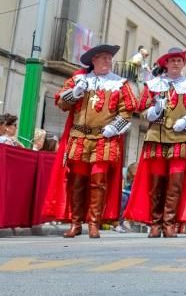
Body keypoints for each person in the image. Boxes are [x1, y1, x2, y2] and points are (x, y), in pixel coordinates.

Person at [41, 44, 137, 239]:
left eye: (110, 58)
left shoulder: (120, 83)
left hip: (105, 138)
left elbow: (127, 112)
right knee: (77, 182)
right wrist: (75, 92)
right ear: (94, 60)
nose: (107, 61)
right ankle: (76, 223)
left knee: (98, 181)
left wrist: (114, 128)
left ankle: (94, 223)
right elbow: (61, 103)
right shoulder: (78, 80)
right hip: (79, 137)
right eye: (103, 58)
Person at [126, 47, 186, 238]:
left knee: (175, 184)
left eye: (179, 61)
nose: (175, 64)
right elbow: (142, 110)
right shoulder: (153, 85)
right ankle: (155, 223)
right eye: (172, 61)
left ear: (183, 64)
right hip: (157, 136)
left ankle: (169, 223)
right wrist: (154, 111)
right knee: (156, 184)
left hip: (181, 138)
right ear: (166, 64)